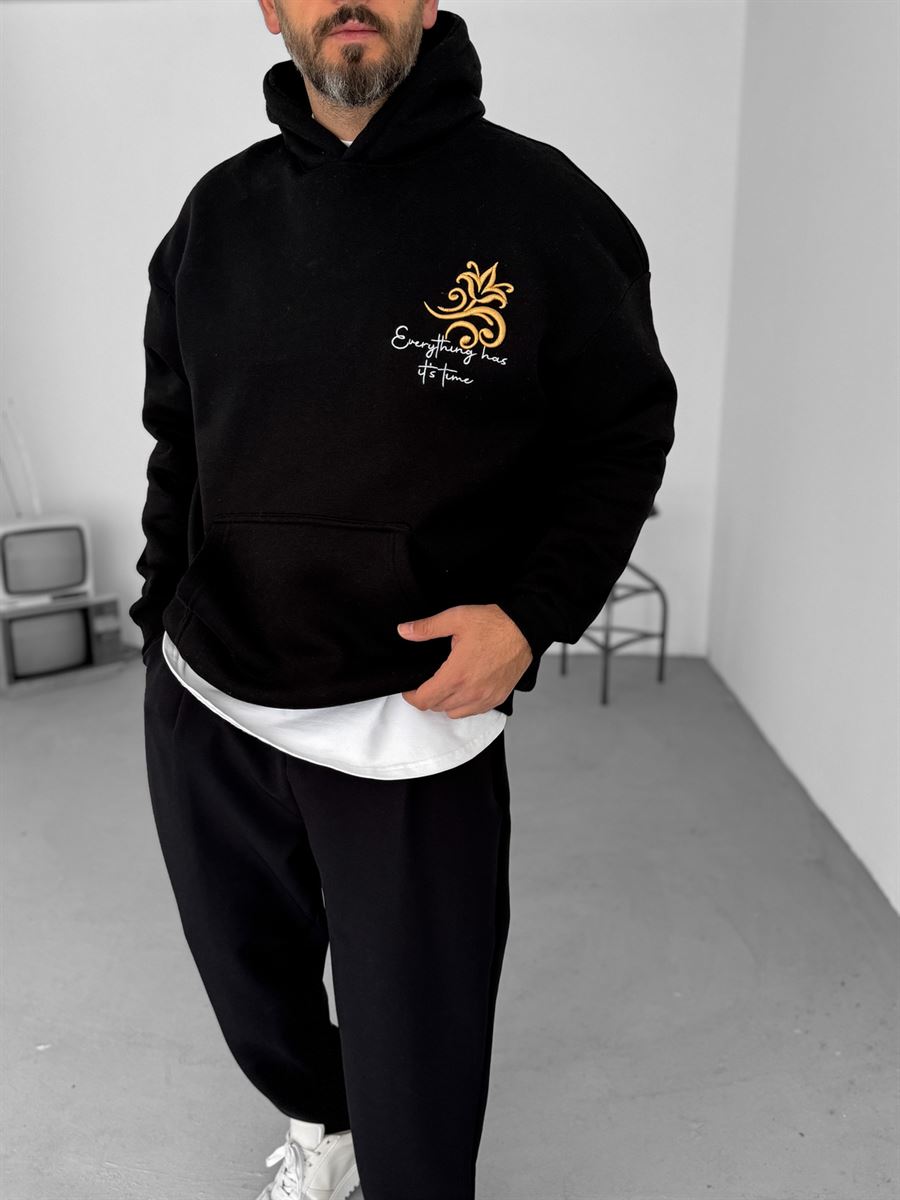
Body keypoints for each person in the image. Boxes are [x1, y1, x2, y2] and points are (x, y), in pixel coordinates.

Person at [129, 2, 678, 1197]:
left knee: (419, 1062)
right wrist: (157, 619)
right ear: (272, 9)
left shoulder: (541, 207)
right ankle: (323, 1126)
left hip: (413, 714)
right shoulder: (216, 216)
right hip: (213, 694)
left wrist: (530, 617)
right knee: (250, 987)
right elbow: (181, 441)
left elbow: (621, 436)